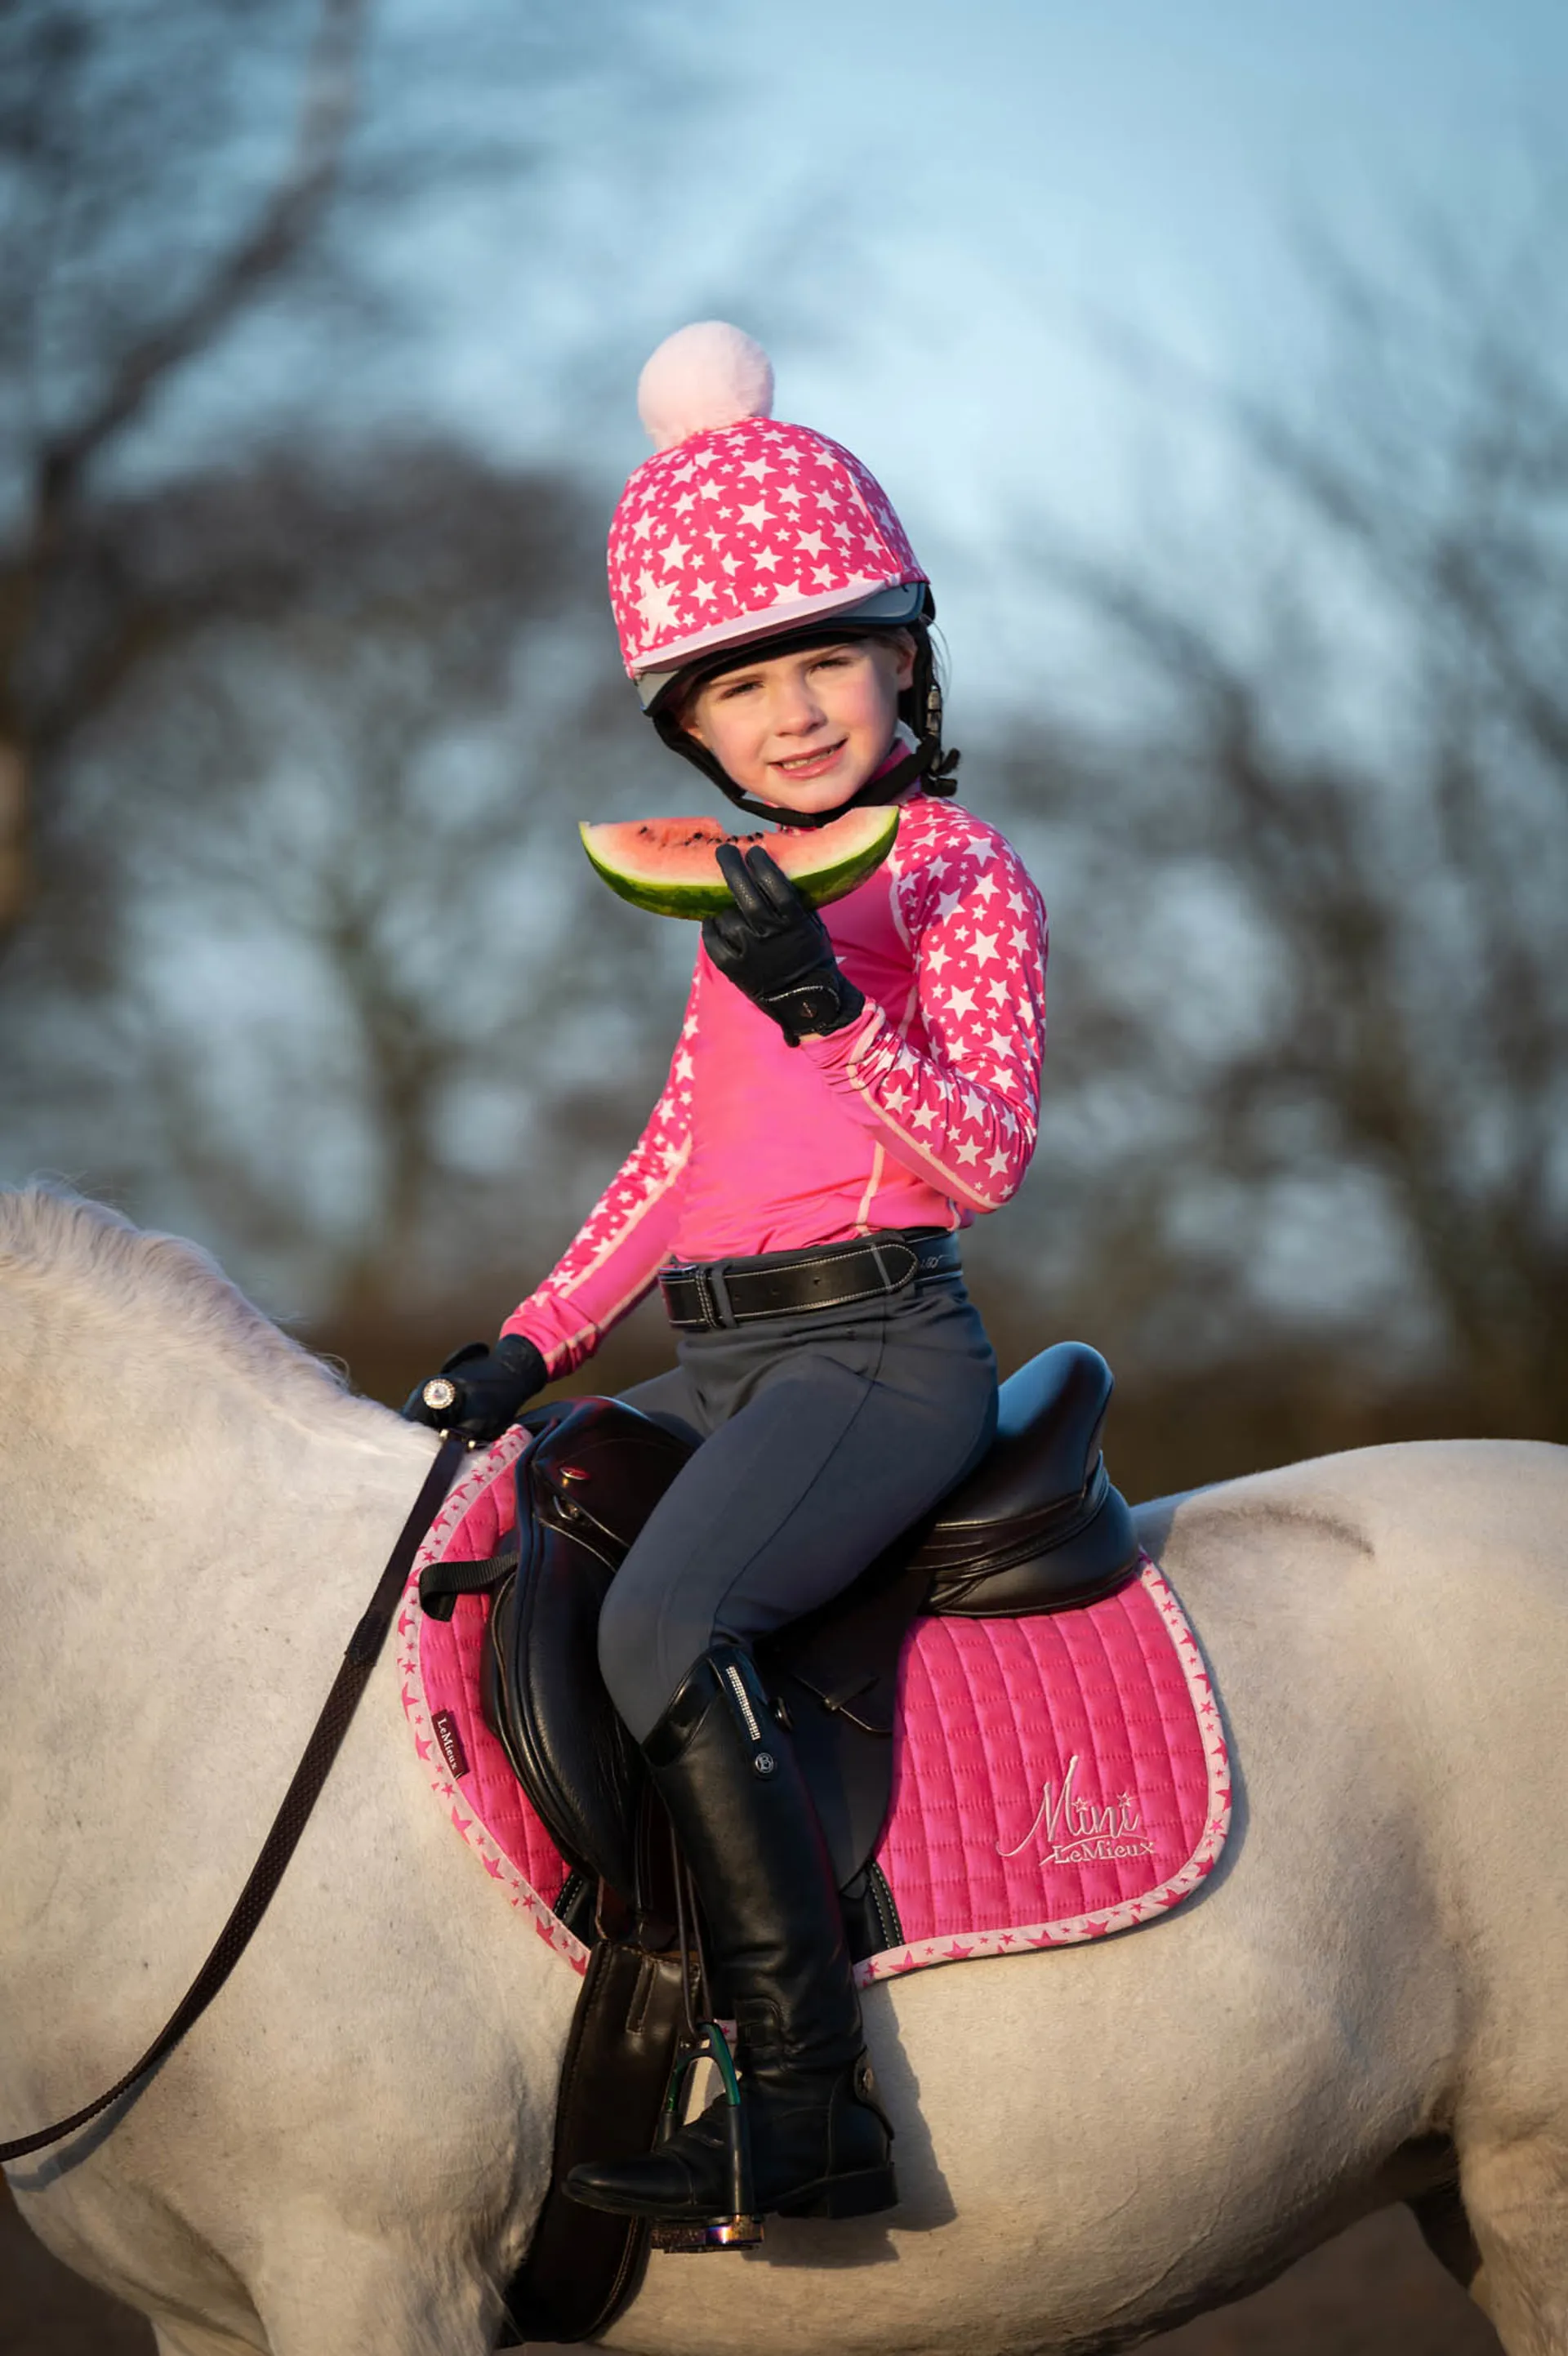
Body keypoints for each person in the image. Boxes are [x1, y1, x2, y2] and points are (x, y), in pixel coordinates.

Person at [407, 322, 1048, 2231]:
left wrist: (831, 1005)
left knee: (667, 1621)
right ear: (687, 726)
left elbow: (985, 1156)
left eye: (828, 657)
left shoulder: (955, 871)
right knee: (514, 1559)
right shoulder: (730, 902)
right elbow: (674, 1165)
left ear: (904, 659)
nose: (791, 710)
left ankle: (806, 2093)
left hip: (882, 1350)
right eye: (739, 682)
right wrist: (526, 1343)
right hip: (716, 1356)